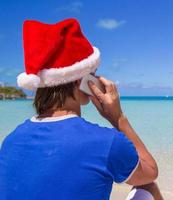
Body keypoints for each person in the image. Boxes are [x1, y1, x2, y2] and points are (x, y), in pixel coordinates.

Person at [0, 18, 163, 200]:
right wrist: (117, 118)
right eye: (92, 73)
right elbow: (150, 171)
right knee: (147, 186)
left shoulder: (10, 141)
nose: (97, 78)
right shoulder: (106, 141)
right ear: (80, 79)